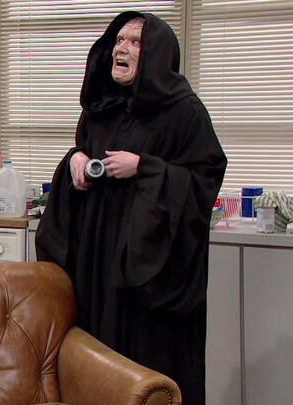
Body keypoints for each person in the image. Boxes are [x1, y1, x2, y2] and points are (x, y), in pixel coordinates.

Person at [35, 12, 226, 405]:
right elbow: (85, 153)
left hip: (149, 276)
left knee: (144, 366)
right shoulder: (100, 107)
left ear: (157, 54)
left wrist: (144, 167)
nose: (120, 48)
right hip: (97, 262)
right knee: (94, 361)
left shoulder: (185, 112)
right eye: (119, 40)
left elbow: (205, 178)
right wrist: (74, 160)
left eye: (135, 41)